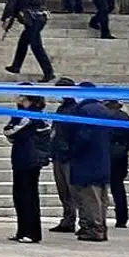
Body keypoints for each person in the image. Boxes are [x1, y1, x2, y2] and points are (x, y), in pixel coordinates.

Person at [67, 82, 116, 242]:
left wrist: (73, 150)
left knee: (89, 197)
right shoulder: (104, 110)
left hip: (87, 161)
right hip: (103, 159)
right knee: (102, 197)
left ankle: (94, 229)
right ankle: (101, 226)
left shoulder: (83, 110)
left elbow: (83, 136)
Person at [4, 86, 52, 243]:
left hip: (28, 159)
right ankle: (22, 230)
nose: (18, 98)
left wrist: (12, 131)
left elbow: (10, 132)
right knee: (20, 195)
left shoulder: (30, 116)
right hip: (23, 158)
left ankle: (31, 232)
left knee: (28, 196)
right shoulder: (27, 115)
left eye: (21, 95)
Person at [2, 0, 55, 82]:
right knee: (23, 41)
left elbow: (11, 4)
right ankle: (16, 66)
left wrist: (5, 18)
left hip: (31, 19)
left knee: (36, 46)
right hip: (39, 17)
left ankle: (48, 72)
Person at [48, 78, 80, 234]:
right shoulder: (61, 109)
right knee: (63, 190)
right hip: (58, 153)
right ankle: (67, 218)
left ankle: (73, 218)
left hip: (68, 155)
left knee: (71, 190)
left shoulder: (74, 109)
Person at [106, 98, 129, 228]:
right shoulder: (124, 116)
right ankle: (122, 218)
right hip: (121, 152)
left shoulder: (105, 115)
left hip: (107, 152)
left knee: (102, 186)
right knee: (118, 187)